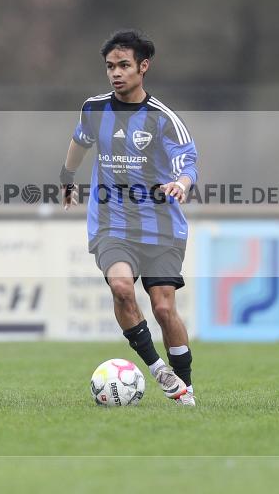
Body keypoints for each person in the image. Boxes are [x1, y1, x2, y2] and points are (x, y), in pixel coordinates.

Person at [61, 30, 198, 406]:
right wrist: (67, 177)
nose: (116, 73)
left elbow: (187, 161)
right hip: (112, 223)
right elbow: (79, 140)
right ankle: (157, 369)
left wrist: (182, 184)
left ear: (143, 66)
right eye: (110, 66)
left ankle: (186, 388)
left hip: (162, 226)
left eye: (124, 65)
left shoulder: (163, 119)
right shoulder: (94, 109)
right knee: (121, 288)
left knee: (163, 307)